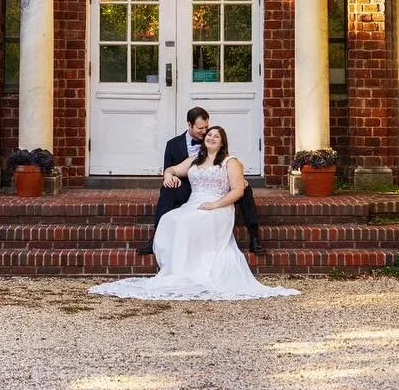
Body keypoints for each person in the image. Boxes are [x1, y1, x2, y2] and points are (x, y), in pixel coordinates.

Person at [90, 126, 299, 301]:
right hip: (194, 204)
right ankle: (176, 271)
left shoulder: (230, 161)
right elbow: (172, 169)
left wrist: (215, 204)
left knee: (188, 222)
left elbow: (238, 190)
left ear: (222, 142)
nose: (211, 137)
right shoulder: (194, 159)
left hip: (219, 207)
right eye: (209, 134)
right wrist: (167, 176)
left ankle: (191, 272)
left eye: (216, 136)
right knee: (170, 219)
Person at [136, 107, 265, 255]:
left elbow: (228, 163)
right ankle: (157, 237)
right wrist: (168, 176)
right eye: (200, 128)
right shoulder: (173, 144)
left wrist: (239, 179)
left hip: (215, 188)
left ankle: (254, 237)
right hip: (187, 187)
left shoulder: (211, 138)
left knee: (244, 189)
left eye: (206, 128)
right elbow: (170, 168)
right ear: (189, 125)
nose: (205, 133)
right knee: (167, 188)